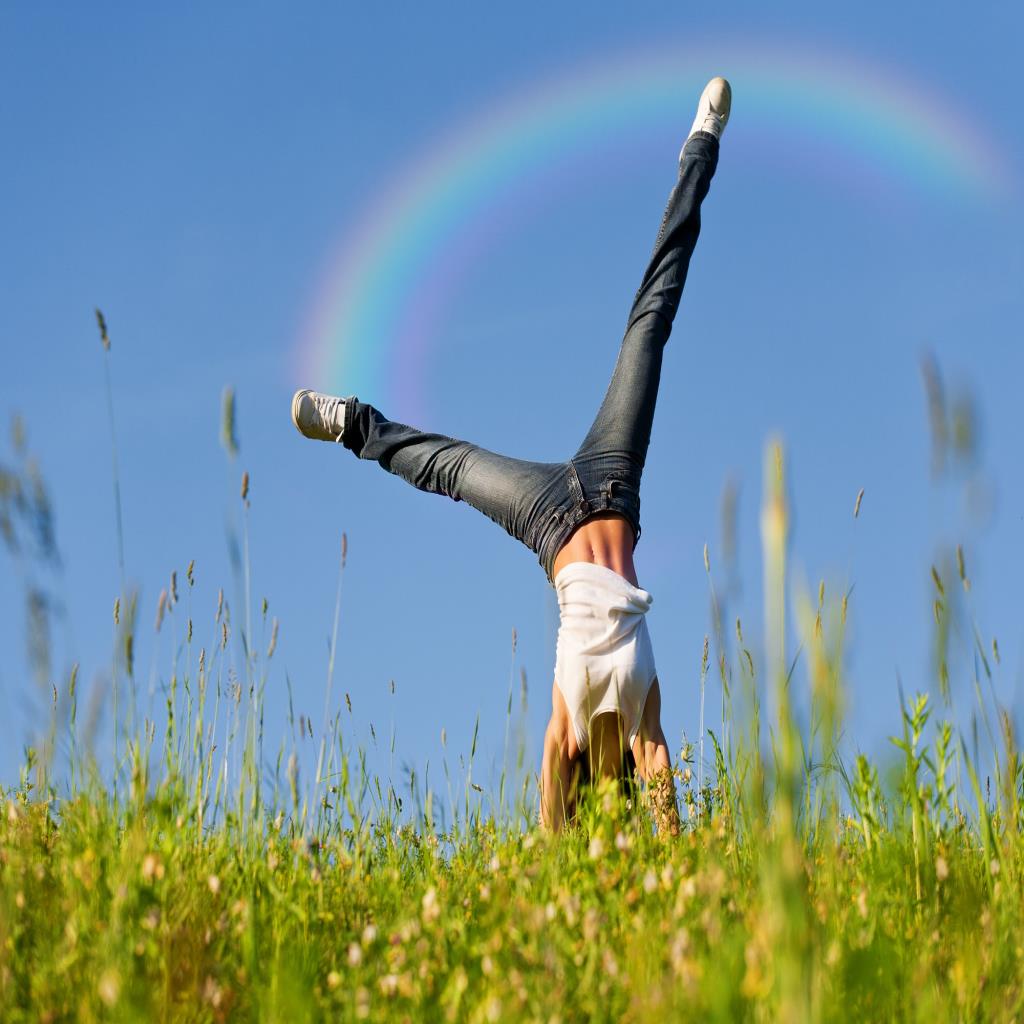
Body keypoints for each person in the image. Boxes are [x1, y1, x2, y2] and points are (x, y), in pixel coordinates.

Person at [291, 78, 730, 834]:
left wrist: (562, 864)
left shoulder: (575, 726)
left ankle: (352, 423)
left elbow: (556, 782)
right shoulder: (636, 722)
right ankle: (702, 145)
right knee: (648, 324)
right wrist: (671, 849)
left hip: (552, 523)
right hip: (611, 485)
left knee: (452, 468)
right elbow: (658, 773)